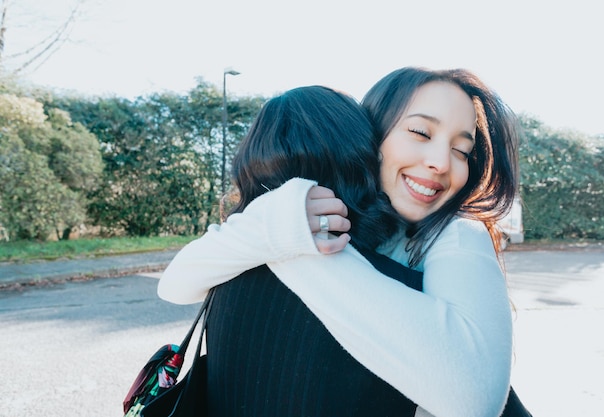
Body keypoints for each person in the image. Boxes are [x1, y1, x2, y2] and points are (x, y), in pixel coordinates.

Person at [158, 68, 525, 417]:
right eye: (420, 133)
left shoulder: (456, 235)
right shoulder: (305, 224)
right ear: (368, 137)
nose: (441, 163)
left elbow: (472, 395)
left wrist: (286, 233)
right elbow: (175, 284)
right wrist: (270, 226)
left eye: (462, 151)